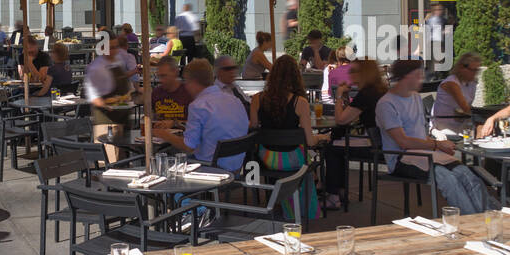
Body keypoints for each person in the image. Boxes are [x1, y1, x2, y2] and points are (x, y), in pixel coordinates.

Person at [375, 59, 495, 213]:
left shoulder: (416, 97)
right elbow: (403, 142)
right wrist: (437, 145)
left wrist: (437, 141)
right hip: (400, 158)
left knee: (466, 173)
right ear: (405, 76)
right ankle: (470, 221)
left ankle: (487, 217)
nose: (422, 78)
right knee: (448, 179)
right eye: (418, 75)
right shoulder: (386, 103)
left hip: (424, 153)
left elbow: (421, 133)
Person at [250, 54, 327, 218]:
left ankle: (279, 200)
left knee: (304, 154)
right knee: (308, 156)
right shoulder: (300, 102)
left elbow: (253, 128)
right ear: (295, 77)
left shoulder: (257, 99)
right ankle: (302, 208)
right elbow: (310, 141)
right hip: (292, 159)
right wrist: (323, 138)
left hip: (266, 158)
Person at [155, 57, 248, 171]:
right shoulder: (235, 100)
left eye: (186, 82)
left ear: (193, 82)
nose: (186, 87)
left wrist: (163, 134)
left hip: (210, 168)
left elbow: (188, 146)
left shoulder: (198, 106)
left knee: (163, 161)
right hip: (236, 168)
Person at [324, 57, 387, 209]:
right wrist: (346, 99)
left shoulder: (366, 94)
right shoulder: (380, 91)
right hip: (385, 142)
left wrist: (338, 95)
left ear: (364, 73)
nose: (350, 74)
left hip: (377, 146)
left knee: (331, 148)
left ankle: (333, 196)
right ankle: (340, 190)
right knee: (339, 143)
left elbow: (341, 120)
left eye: (353, 71)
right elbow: (352, 115)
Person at [430, 53, 481, 134]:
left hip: (461, 121)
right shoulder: (451, 83)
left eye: (477, 70)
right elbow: (465, 107)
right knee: (482, 124)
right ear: (461, 68)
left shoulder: (472, 83)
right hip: (445, 125)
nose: (475, 73)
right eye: (473, 70)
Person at [150, 56, 191, 126]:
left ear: (176, 72)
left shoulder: (189, 92)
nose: (161, 80)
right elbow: (152, 118)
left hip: (183, 135)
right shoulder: (156, 93)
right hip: (159, 135)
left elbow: (198, 123)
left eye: (164, 76)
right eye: (159, 76)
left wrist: (174, 123)